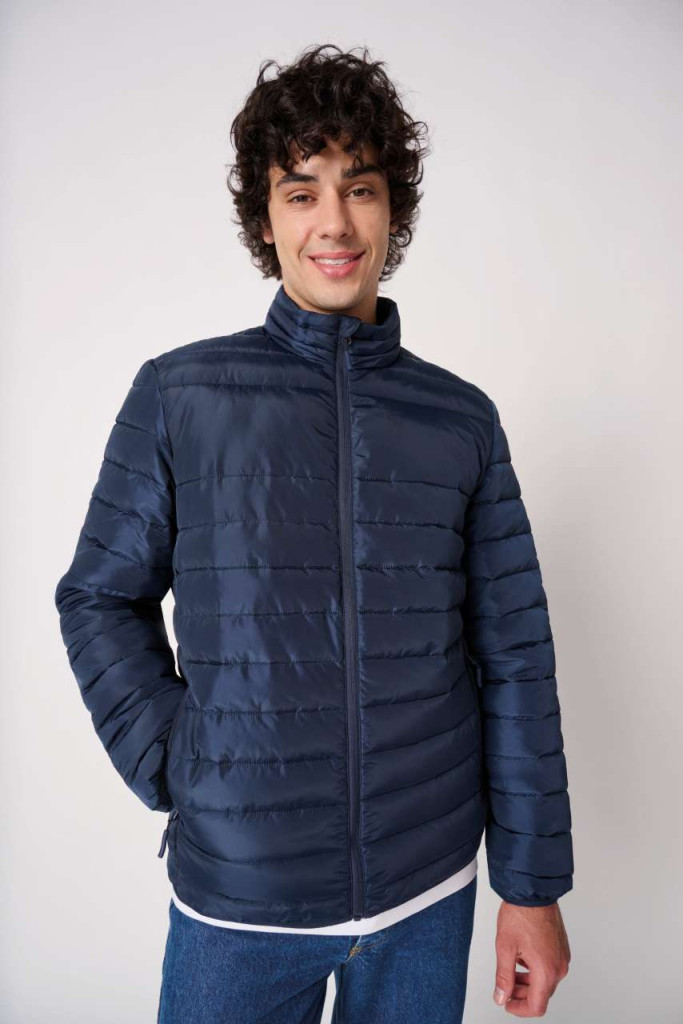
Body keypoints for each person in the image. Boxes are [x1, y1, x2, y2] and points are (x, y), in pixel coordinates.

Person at [54, 43, 572, 1023]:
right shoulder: (181, 396)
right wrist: (181, 762)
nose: (333, 222)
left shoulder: (459, 419)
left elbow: (514, 656)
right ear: (266, 218)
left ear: (391, 211)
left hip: (427, 892)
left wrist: (531, 886)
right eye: (301, 192)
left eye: (359, 189)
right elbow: (98, 597)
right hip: (237, 901)